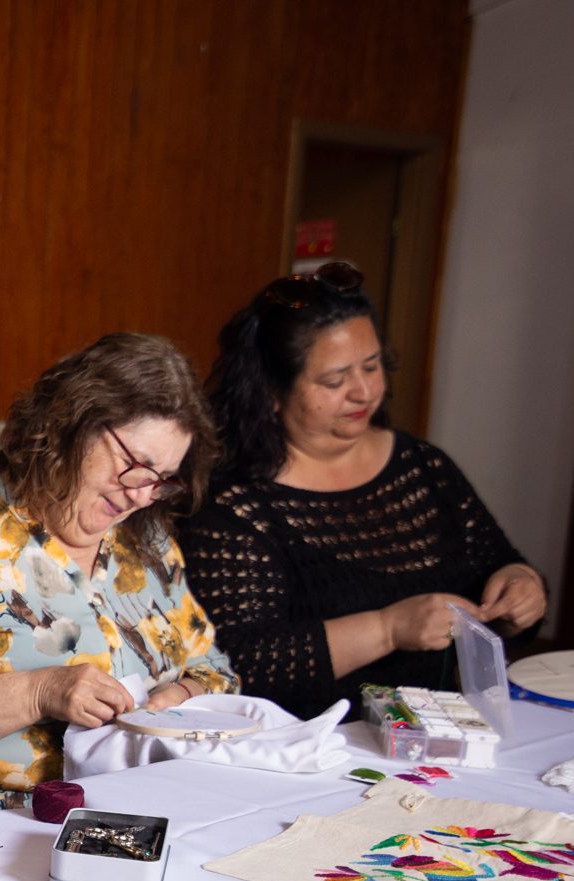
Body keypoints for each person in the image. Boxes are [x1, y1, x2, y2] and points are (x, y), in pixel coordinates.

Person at [0, 333, 237, 811]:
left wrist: (177, 697)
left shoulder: (148, 540)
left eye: (161, 479)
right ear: (73, 425)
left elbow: (217, 672)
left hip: (147, 805)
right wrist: (38, 692)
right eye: (135, 465)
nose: (143, 494)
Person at [181, 263, 546, 717]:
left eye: (372, 367)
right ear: (271, 391)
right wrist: (387, 629)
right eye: (334, 381)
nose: (363, 392)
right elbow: (238, 663)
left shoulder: (422, 466)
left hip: (435, 730)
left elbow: (496, 572)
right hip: (305, 741)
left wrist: (520, 589)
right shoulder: (233, 503)